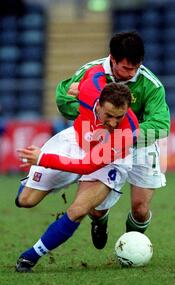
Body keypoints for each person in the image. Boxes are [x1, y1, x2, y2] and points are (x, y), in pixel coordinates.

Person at [55, 31, 170, 249]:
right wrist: (91, 108)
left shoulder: (151, 85)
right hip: (101, 145)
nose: (132, 72)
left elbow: (161, 126)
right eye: (126, 67)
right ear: (113, 59)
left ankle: (130, 246)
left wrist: (122, 133)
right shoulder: (91, 72)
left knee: (140, 209)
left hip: (138, 146)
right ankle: (100, 221)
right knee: (96, 208)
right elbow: (62, 101)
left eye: (136, 67)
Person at [14, 79, 139, 272]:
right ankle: (36, 182)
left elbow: (87, 166)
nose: (114, 122)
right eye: (109, 115)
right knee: (25, 200)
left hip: (107, 161)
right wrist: (76, 89)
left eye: (119, 117)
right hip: (75, 141)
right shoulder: (89, 89)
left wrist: (43, 158)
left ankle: (30, 256)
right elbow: (74, 84)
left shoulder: (126, 133)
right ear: (99, 104)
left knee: (78, 210)